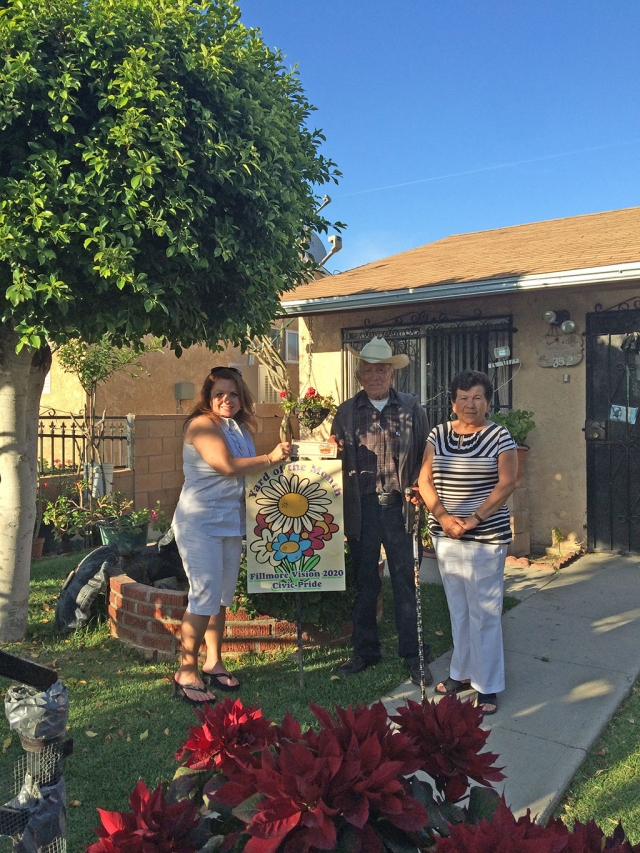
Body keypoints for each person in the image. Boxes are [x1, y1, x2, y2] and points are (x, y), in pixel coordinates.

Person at [172, 366, 290, 704]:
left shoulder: (236, 427)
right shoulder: (201, 425)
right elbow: (225, 466)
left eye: (234, 393)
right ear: (208, 398)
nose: (227, 399)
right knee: (203, 596)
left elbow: (249, 472)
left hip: (229, 521)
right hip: (200, 524)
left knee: (221, 598)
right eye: (220, 394)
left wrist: (282, 463)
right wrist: (270, 457)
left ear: (242, 397)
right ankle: (186, 670)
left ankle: (213, 662)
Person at [331, 336, 432, 685]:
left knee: (405, 580)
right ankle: (365, 651)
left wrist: (420, 484)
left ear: (392, 374)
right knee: (365, 581)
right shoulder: (346, 413)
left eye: (382, 370)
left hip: (399, 508)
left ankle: (413, 654)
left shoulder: (411, 409)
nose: (375, 376)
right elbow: (334, 458)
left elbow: (425, 456)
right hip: (362, 510)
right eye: (369, 370)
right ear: (360, 375)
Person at [418, 369, 518, 715]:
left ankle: (487, 685)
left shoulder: (499, 436)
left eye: (477, 397)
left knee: (485, 612)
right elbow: (424, 480)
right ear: (452, 403)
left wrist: (474, 519)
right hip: (446, 535)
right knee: (458, 607)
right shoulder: (438, 434)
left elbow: (506, 484)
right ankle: (460, 672)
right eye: (463, 398)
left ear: (488, 402)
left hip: (486, 536)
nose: (470, 404)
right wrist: (444, 518)